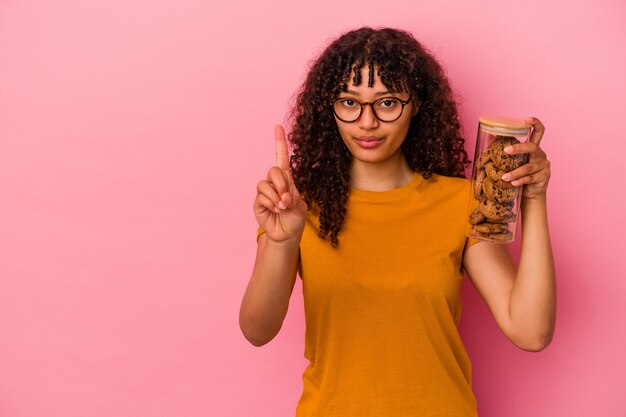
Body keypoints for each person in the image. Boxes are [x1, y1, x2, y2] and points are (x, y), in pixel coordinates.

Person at [239, 27, 555, 416]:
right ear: (330, 107)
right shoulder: (296, 207)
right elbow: (257, 330)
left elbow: (531, 331)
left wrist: (534, 199)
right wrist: (282, 241)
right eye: (349, 103)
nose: (366, 122)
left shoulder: (461, 201)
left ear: (416, 103)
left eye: (386, 103)